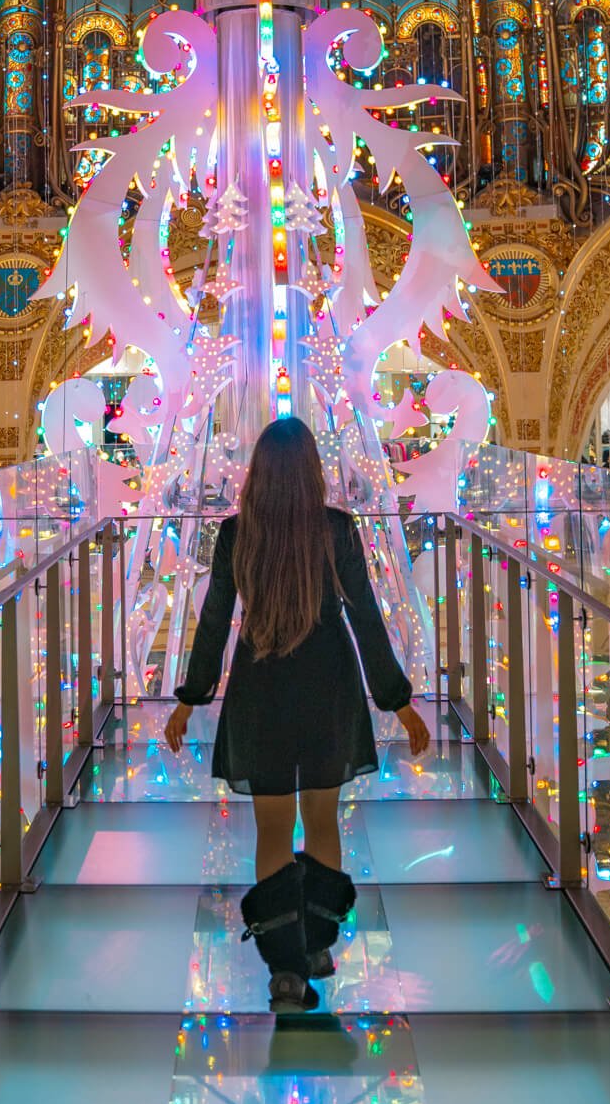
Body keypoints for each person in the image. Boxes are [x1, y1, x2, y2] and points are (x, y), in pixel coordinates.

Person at [164, 418, 429, 1012]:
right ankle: (315, 946)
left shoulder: (237, 535)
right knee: (324, 822)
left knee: (273, 830)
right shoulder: (336, 531)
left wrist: (191, 697)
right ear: (311, 472)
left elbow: (212, 624)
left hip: (261, 691)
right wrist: (397, 700)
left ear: (259, 474)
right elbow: (365, 619)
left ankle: (285, 967)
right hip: (327, 689)